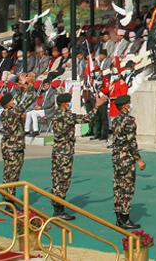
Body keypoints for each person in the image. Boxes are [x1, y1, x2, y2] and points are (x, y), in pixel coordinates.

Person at [50, 92, 107, 221]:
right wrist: (97, 106)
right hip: (64, 152)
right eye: (68, 101)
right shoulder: (65, 116)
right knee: (63, 181)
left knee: (56, 180)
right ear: (65, 104)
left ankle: (57, 207)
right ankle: (59, 210)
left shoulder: (57, 114)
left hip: (57, 151)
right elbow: (86, 119)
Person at [0, 73, 37, 209]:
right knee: (12, 176)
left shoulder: (7, 112)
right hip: (14, 148)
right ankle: (10, 204)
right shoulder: (12, 113)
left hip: (9, 147)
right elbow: (27, 101)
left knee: (8, 174)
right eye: (12, 101)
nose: (14, 101)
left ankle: (7, 200)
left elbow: (19, 99)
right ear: (9, 104)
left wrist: (21, 86)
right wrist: (30, 85)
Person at [110, 94, 144, 230]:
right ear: (125, 106)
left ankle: (119, 216)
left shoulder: (116, 120)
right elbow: (132, 143)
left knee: (118, 187)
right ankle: (125, 218)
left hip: (117, 157)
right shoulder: (128, 122)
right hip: (126, 158)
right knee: (127, 188)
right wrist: (139, 159)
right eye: (129, 103)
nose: (130, 105)